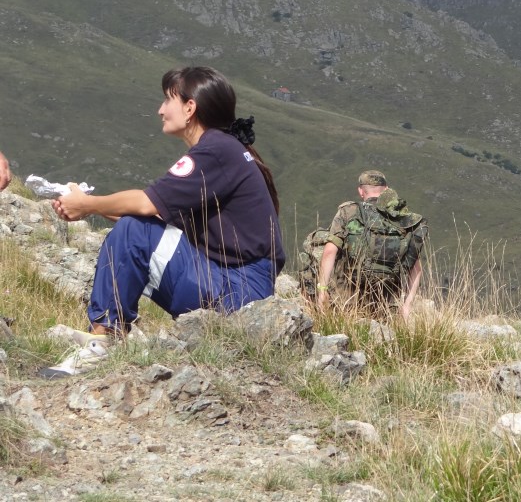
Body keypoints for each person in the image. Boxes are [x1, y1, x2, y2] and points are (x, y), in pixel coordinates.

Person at [40, 66, 284, 378]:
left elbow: (145, 204)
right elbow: (153, 216)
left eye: (168, 100)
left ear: (190, 107)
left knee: (131, 231)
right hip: (240, 286)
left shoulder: (214, 151)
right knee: (133, 228)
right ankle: (104, 338)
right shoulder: (225, 150)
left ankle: (102, 342)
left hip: (238, 291)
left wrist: (87, 205)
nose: (160, 110)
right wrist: (94, 207)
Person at [315, 170, 426, 320]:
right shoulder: (402, 220)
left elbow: (330, 252)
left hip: (347, 303)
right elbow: (416, 268)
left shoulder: (349, 212)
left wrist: (322, 290)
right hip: (386, 307)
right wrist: (407, 306)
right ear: (386, 190)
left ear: (361, 191)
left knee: (314, 242)